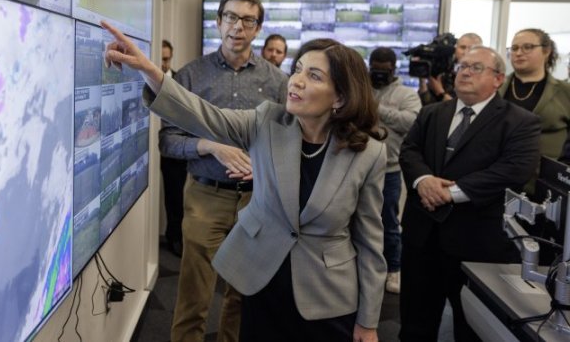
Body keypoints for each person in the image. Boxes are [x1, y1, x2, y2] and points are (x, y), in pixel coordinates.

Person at [104, 20, 387, 342]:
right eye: (298, 69)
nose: (296, 81)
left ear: (339, 97)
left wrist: (368, 321)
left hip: (327, 295)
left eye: (314, 76)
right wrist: (150, 72)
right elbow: (203, 115)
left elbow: (370, 243)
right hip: (263, 282)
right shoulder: (267, 121)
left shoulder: (369, 154)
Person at [158, 0, 288, 342]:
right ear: (218, 22)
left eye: (248, 20)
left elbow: (290, 140)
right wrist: (209, 147)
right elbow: (167, 141)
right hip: (205, 196)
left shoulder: (278, 82)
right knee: (193, 294)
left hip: (258, 200)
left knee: (244, 295)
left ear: (258, 28)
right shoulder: (189, 76)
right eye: (230, 17)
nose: (237, 27)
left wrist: (264, 164)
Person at [398, 46, 541, 341]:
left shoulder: (520, 122)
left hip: (476, 244)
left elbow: (514, 170)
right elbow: (410, 150)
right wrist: (423, 179)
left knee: (470, 329)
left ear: (498, 79)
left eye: (476, 68)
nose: (464, 72)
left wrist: (454, 193)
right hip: (422, 238)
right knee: (415, 325)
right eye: (462, 66)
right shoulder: (432, 112)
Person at [368, 47, 421, 294]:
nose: (378, 75)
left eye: (383, 71)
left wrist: (375, 107)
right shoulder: (362, 88)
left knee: (389, 222)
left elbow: (410, 122)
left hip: (389, 169)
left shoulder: (406, 94)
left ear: (393, 68)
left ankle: (393, 269)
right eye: (374, 70)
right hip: (358, 167)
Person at [500, 28, 570, 160]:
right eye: (514, 48)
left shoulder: (565, 91)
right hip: (497, 170)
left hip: (545, 173)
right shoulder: (495, 88)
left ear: (546, 51)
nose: (519, 53)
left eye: (528, 47)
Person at [159, 39, 187, 257]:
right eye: (159, 58)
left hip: (174, 151)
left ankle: (175, 237)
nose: (162, 63)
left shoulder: (181, 81)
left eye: (166, 59)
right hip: (149, 148)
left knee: (176, 196)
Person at [418, 32, 483, 105]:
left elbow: (464, 108)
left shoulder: (482, 74)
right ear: (455, 48)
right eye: (462, 47)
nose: (466, 52)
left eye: (471, 48)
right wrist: (422, 82)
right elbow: (427, 104)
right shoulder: (445, 67)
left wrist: (440, 93)